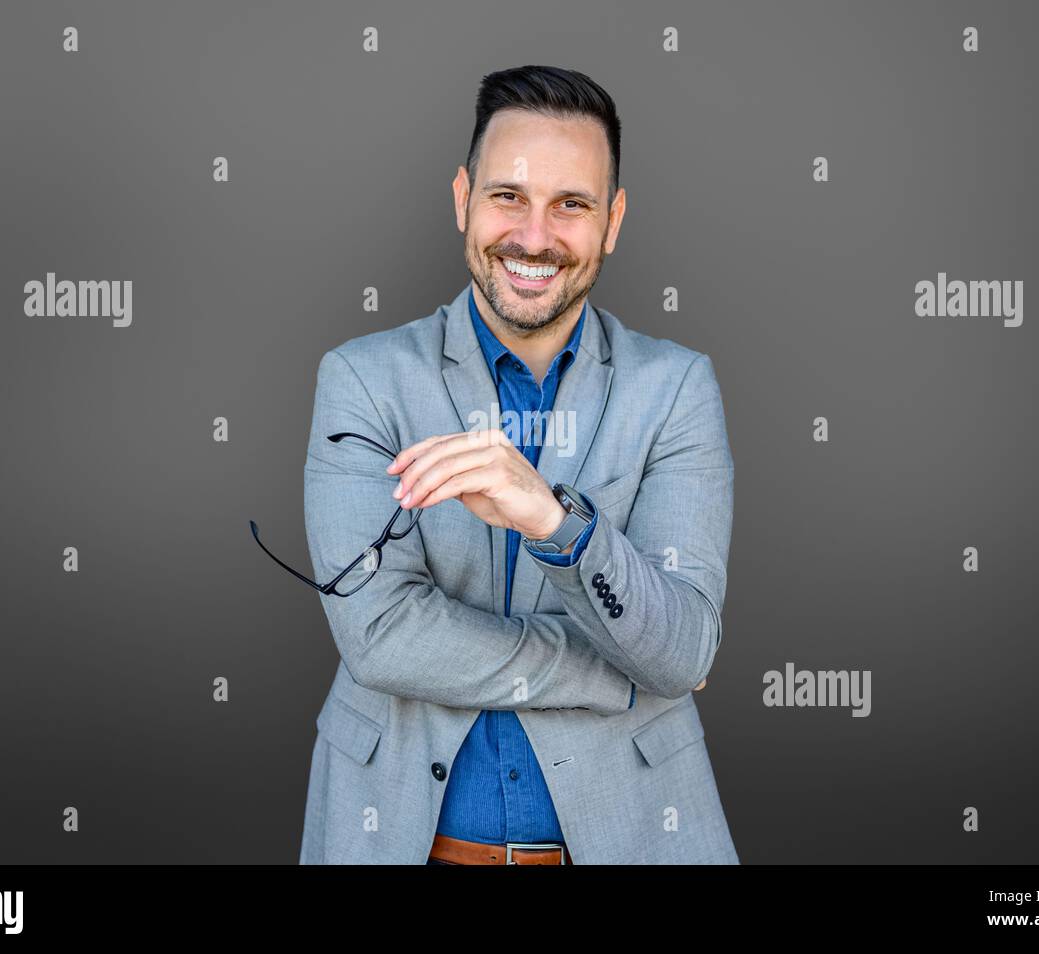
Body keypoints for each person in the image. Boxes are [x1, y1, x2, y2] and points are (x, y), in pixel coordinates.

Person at [298, 65, 738, 864]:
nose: (534, 238)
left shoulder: (674, 390)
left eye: (572, 204)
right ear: (464, 199)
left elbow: (682, 649)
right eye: (509, 197)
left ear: (613, 221)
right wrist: (619, 676)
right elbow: (381, 635)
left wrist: (554, 521)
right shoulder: (362, 379)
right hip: (398, 838)